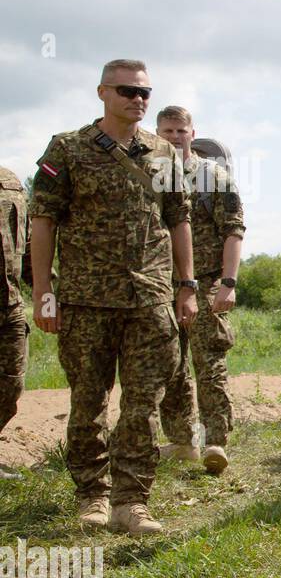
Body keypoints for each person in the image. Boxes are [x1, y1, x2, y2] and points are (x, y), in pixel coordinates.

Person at [29, 59, 196, 535]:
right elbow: (43, 220)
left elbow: (177, 219)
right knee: (88, 401)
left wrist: (187, 287)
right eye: (126, 91)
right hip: (85, 299)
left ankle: (132, 501)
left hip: (149, 298)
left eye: (144, 92)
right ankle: (92, 496)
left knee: (143, 403)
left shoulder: (163, 152)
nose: (137, 99)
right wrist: (44, 291)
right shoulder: (68, 148)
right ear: (102, 92)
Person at [155, 110, 244, 474]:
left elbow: (234, 231)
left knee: (209, 364)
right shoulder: (152, 174)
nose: (175, 137)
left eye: (181, 131)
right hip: (162, 283)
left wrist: (228, 282)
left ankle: (215, 441)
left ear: (192, 133)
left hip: (207, 281)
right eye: (167, 131)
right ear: (157, 134)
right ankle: (180, 441)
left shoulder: (213, 177)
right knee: (169, 365)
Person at [0, 165, 30, 479]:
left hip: (9, 303)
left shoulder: (10, 183)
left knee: (10, 383)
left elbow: (30, 240)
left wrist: (48, 292)